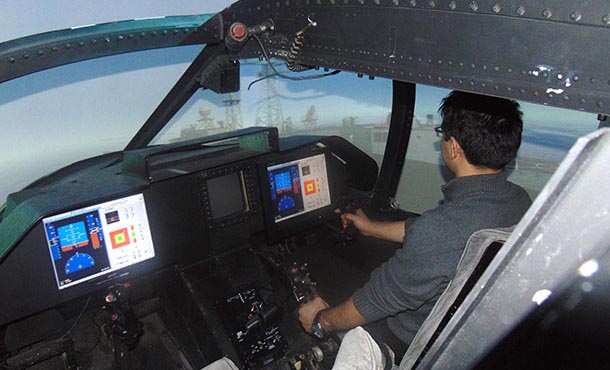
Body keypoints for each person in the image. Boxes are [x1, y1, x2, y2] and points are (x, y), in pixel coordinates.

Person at [298, 90, 533, 360]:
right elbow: (445, 235)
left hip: (408, 341)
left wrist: (320, 322)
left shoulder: (441, 230)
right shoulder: (517, 201)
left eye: (442, 132)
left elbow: (374, 301)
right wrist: (371, 227)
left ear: (454, 146)